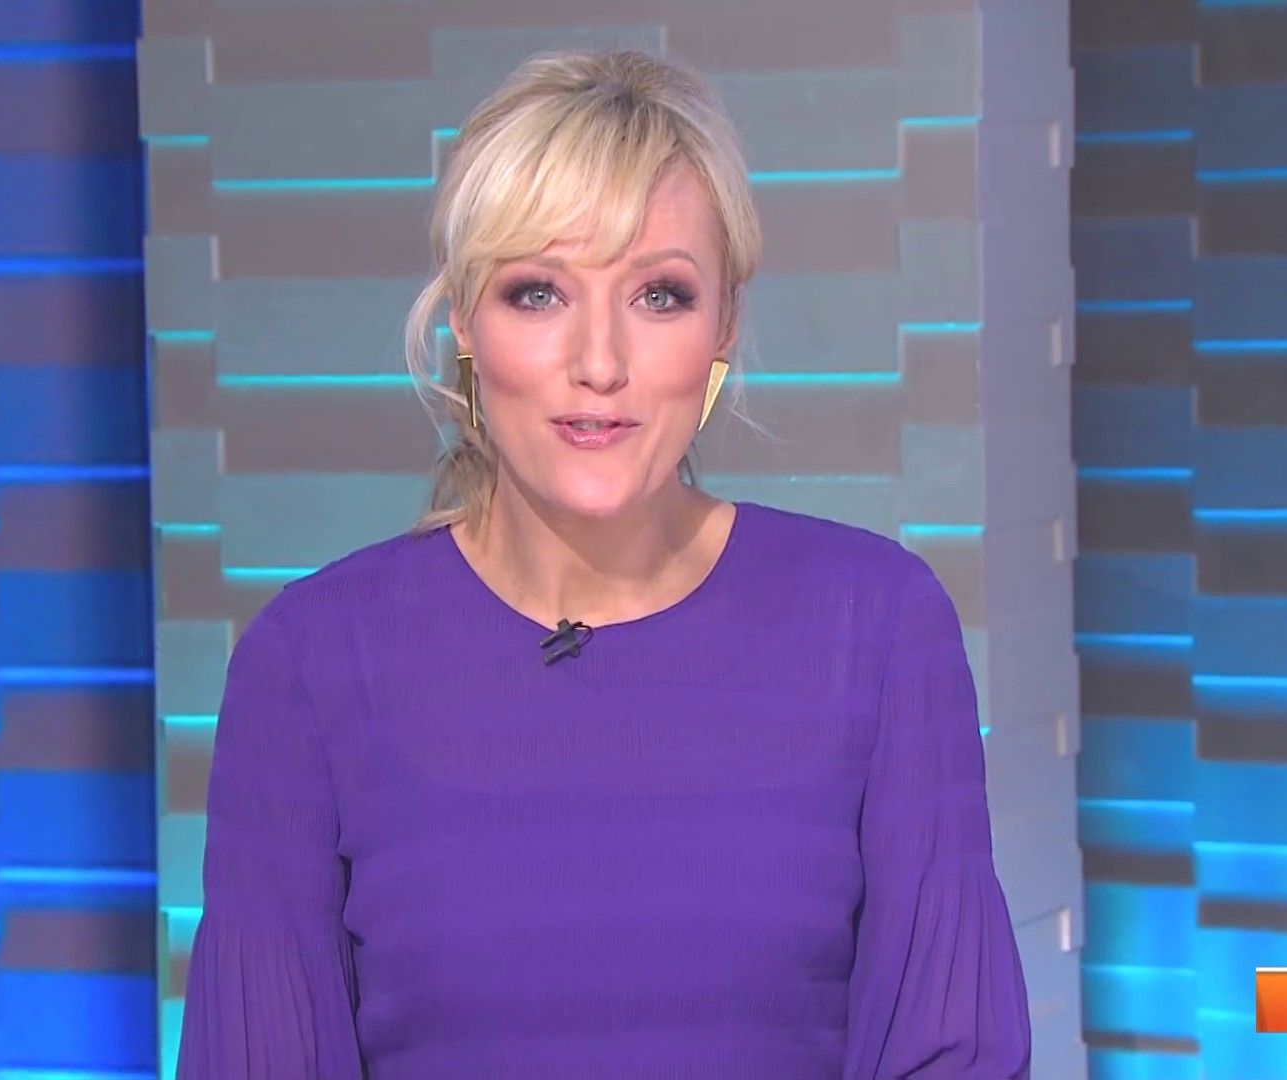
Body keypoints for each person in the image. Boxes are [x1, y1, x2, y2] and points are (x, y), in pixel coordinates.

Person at [176, 47, 1032, 1080]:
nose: (600, 363)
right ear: (463, 321)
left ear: (725, 322)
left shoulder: (878, 629)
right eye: (538, 292)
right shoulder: (309, 665)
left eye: (659, 295)